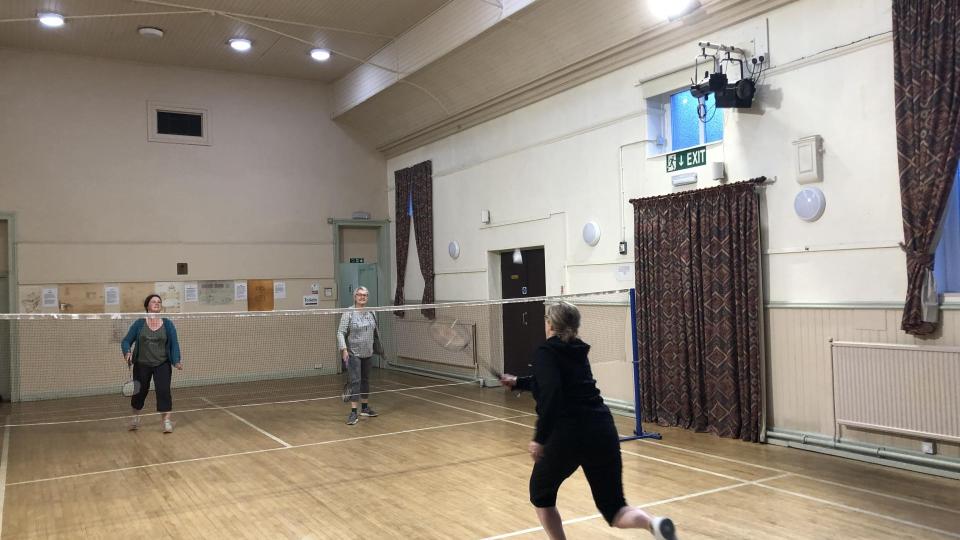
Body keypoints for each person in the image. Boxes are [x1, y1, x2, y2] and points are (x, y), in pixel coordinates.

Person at [499, 301, 677, 540]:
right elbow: (555, 383)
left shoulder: (545, 351)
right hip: (601, 428)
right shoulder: (578, 350)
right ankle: (653, 523)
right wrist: (518, 382)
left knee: (541, 495)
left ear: (550, 324)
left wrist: (539, 438)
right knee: (615, 508)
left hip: (566, 435)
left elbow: (552, 394)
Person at [121, 294, 183, 433]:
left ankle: (166, 422)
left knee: (164, 391)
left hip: (162, 364)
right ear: (147, 305)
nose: (157, 303)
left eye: (159, 302)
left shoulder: (167, 324)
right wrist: (127, 352)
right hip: (142, 364)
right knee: (139, 392)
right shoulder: (139, 323)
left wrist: (176, 361)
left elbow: (174, 344)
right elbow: (126, 341)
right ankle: (135, 419)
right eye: (153, 301)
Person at [336, 286, 382, 425]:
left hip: (368, 352)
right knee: (356, 381)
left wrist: (377, 348)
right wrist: (344, 349)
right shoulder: (349, 313)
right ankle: (353, 412)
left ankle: (365, 408)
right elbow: (340, 332)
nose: (362, 297)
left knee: (366, 380)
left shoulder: (372, 312)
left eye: (365, 295)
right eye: (360, 295)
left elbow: (375, 331)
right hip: (353, 353)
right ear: (355, 297)